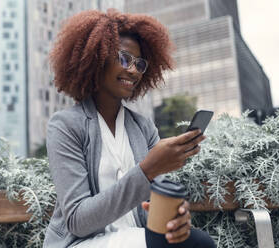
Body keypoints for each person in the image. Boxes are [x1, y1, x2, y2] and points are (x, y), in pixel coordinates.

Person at [44, 9, 216, 248]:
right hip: (84, 243)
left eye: (140, 64)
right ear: (97, 58)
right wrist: (147, 170)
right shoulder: (65, 126)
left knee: (197, 241)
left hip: (137, 238)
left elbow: (156, 204)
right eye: (124, 59)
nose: (134, 70)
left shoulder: (143, 127)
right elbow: (78, 221)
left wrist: (176, 218)